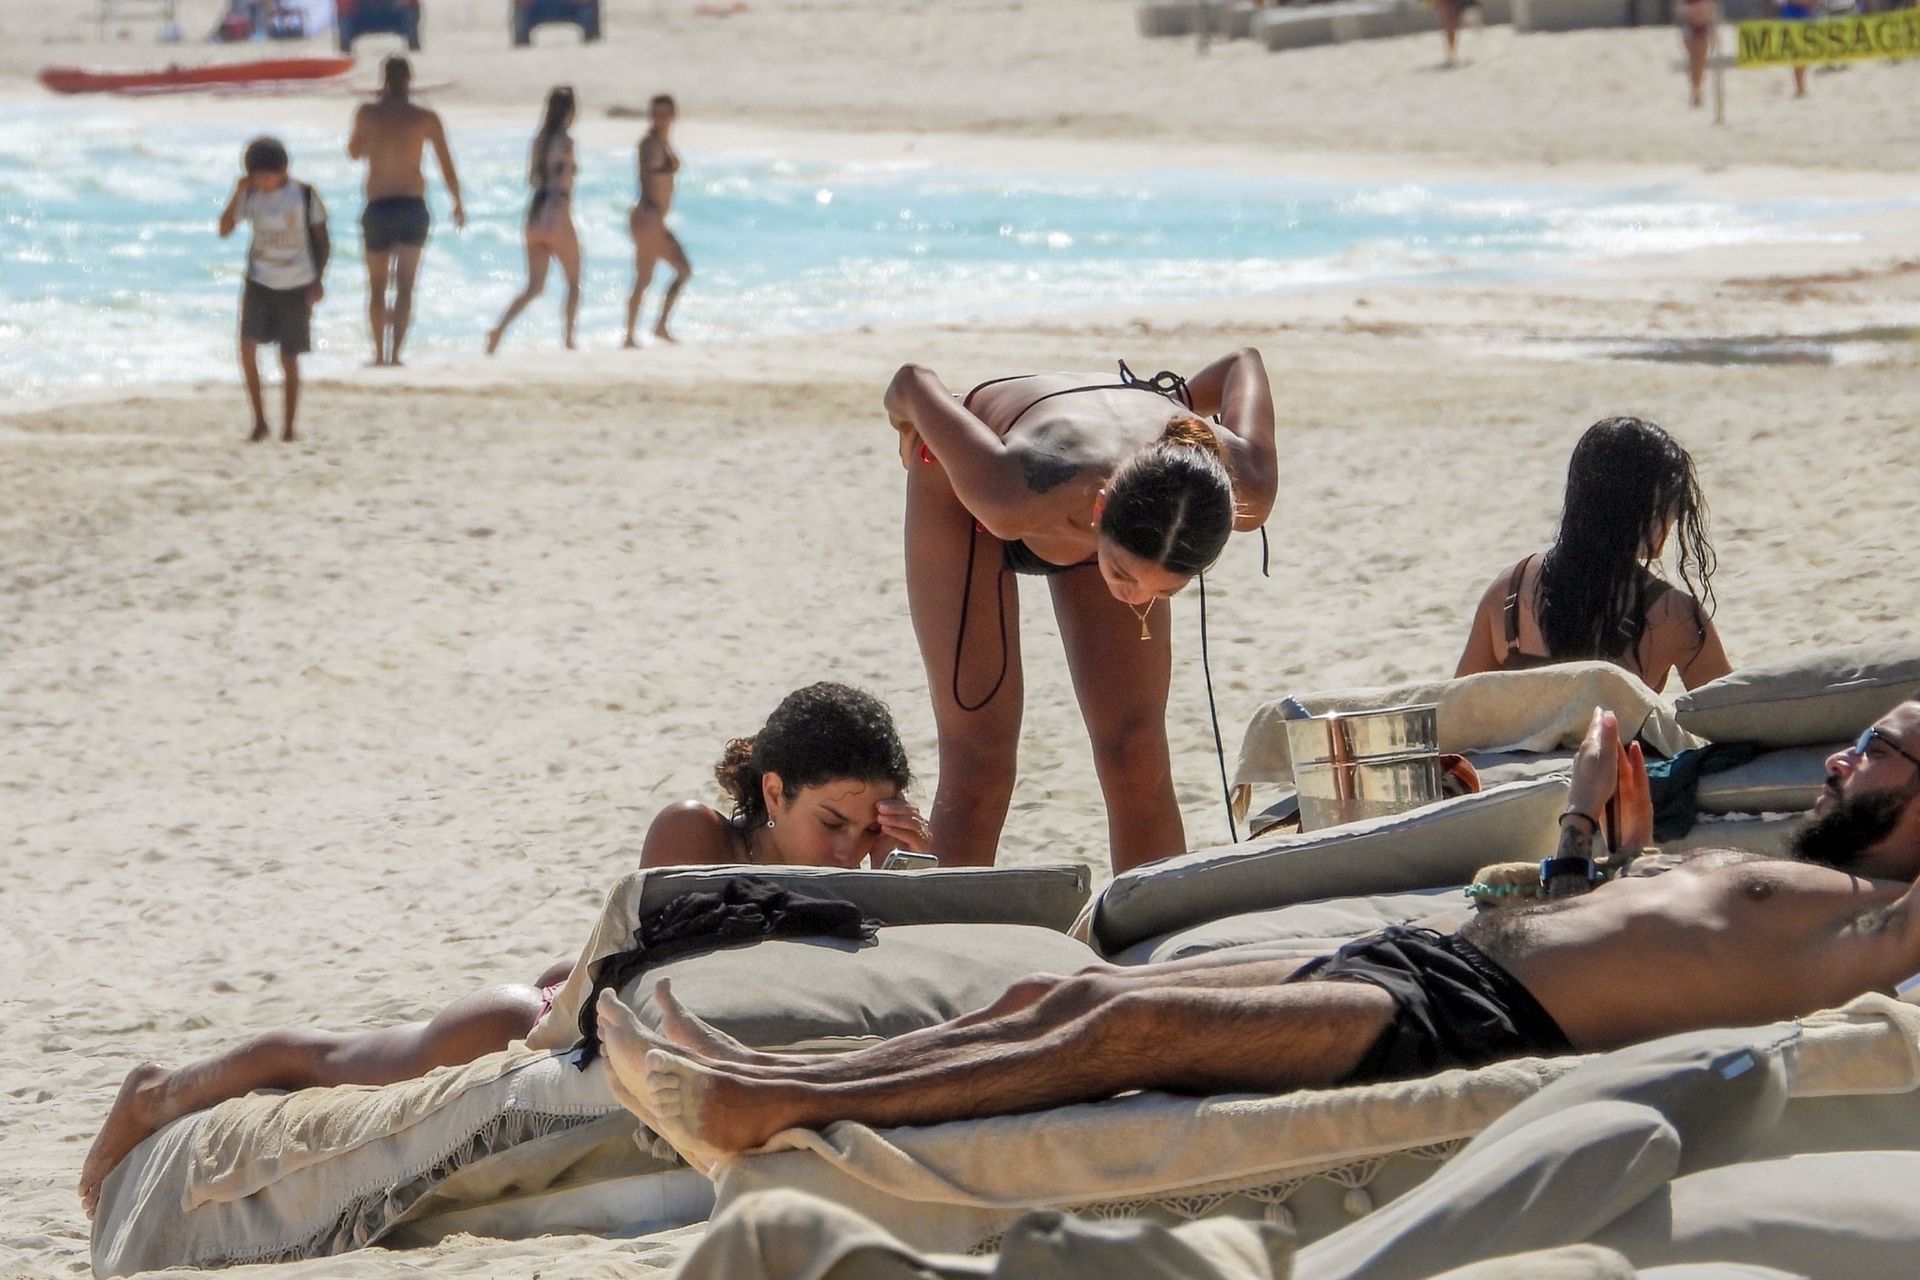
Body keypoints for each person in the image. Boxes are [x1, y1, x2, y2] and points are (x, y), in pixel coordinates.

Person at [600, 698, 1920, 1171]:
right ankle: (778, 1076)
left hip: (1477, 1021)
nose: (1841, 756)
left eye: (1878, 748)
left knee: (1126, 1025)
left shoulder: (1870, 926)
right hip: (1440, 954)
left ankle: (763, 1105)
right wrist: (1585, 822)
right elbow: (1593, 918)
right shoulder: (1765, 864)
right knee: (1065, 997)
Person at [77, 682, 931, 1218]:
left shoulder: (855, 873)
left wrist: (919, 868)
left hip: (610, 1018)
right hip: (533, 1022)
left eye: (869, 829)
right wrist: (869, 886)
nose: (850, 849)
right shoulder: (696, 831)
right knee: (328, 1062)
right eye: (833, 822)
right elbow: (692, 959)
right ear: (774, 792)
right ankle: (158, 1091)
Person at [886, 350, 1277, 875]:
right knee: (980, 758)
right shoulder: (1009, 489)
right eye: (1123, 575)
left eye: (1165, 590)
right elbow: (911, 380)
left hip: (1132, 480)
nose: (1136, 600)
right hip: (978, 480)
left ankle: (1153, 922)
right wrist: (915, 421)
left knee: (1136, 751)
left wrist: (1173, 405)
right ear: (1099, 509)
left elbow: (1240, 362)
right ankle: (948, 923)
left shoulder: (1244, 485)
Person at [1454, 416, 1731, 691]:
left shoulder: (1508, 592)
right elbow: (1732, 711)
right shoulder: (1673, 615)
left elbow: (1455, 706)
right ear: (1639, 511)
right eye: (1673, 506)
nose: (1676, 518)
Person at [347, 56, 465, 368]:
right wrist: (457, 201)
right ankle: (396, 355)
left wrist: (374, 137)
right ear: (410, 80)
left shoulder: (367, 113)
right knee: (405, 286)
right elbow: (446, 163)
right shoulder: (425, 117)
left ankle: (378, 355)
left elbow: (354, 152)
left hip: (378, 205)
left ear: (383, 80)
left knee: (376, 287)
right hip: (412, 206)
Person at [218, 136, 328, 444]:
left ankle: (289, 428)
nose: (265, 182)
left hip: (297, 283)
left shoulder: (304, 195)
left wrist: (318, 280)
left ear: (284, 170)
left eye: (271, 175)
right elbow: (224, 230)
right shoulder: (250, 194)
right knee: (247, 347)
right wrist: (237, 193)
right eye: (259, 176)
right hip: (259, 281)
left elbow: (322, 239)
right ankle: (260, 422)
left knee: (289, 357)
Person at [487, 87, 583, 354]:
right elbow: (565, 178)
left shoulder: (538, 140)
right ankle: (568, 338)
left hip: (534, 212)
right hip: (557, 211)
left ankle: (499, 330)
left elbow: (533, 179)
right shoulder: (565, 141)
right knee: (573, 281)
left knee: (533, 286)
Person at [623, 93, 693, 348]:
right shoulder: (650, 144)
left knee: (644, 278)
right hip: (649, 216)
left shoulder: (662, 141)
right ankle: (656, 326)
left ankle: (633, 334)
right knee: (682, 270)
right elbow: (655, 169)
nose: (660, 118)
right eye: (656, 113)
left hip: (651, 218)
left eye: (665, 113)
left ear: (673, 115)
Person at [1682, 0, 1718, 108]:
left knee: (1699, 58)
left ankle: (1696, 91)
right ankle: (1696, 90)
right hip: (1691, 21)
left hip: (1702, 22)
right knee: (1695, 58)